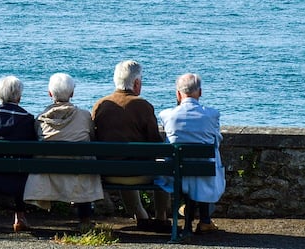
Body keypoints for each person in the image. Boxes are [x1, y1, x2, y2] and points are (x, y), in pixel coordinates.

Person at [91, 60, 170, 232]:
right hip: (138, 174)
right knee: (163, 167)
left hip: (109, 173)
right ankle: (161, 217)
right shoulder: (143, 106)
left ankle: (141, 216)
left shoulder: (100, 105)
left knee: (121, 161)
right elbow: (156, 143)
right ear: (136, 83)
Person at [23, 73, 104, 230]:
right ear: (72, 93)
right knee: (84, 164)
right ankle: (85, 220)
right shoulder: (85, 116)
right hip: (80, 173)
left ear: (49, 94)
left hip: (48, 175)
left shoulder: (40, 119)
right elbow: (92, 139)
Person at [157, 73, 225, 235]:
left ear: (178, 94)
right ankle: (204, 221)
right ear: (200, 92)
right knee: (205, 167)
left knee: (188, 172)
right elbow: (217, 140)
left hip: (175, 173)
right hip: (204, 172)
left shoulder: (167, 115)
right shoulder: (212, 114)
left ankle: (191, 220)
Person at [0, 75, 37, 233]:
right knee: (21, 165)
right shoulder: (27, 120)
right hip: (21, 179)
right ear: (19, 97)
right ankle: (20, 215)